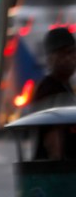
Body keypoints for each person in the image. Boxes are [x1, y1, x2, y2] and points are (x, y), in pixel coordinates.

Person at [32, 26, 76, 160]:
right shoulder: (49, 89)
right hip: (55, 172)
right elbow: (53, 138)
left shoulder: (65, 86)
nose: (69, 58)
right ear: (50, 59)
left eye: (72, 52)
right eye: (62, 54)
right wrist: (58, 168)